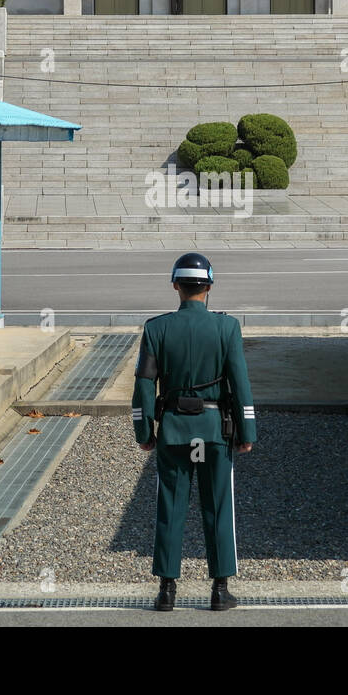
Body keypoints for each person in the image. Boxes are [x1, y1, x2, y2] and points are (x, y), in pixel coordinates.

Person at [132, 252, 256, 611]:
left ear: (175, 285)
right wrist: (247, 431)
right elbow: (240, 382)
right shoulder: (226, 328)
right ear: (209, 286)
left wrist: (144, 431)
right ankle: (220, 590)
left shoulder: (156, 329)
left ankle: (166, 591)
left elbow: (144, 385)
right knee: (217, 507)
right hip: (214, 432)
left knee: (170, 506)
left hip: (173, 430)